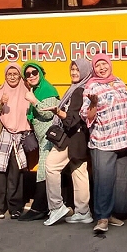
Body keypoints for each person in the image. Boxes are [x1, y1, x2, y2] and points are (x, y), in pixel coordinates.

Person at [81, 54, 127, 234]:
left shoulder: (119, 82)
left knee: (118, 181)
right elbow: (86, 115)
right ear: (94, 69)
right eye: (98, 65)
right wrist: (93, 105)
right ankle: (102, 218)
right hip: (103, 140)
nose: (102, 68)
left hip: (124, 139)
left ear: (110, 65)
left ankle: (110, 213)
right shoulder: (91, 87)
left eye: (105, 64)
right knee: (103, 181)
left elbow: (126, 104)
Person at [45, 59, 93, 226]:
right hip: (81, 139)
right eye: (72, 69)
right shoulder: (82, 88)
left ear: (85, 71)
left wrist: (58, 112)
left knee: (51, 165)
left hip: (71, 138)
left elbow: (72, 120)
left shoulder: (79, 90)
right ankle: (83, 211)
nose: (74, 72)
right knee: (79, 173)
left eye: (77, 70)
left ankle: (57, 206)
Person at [0, 64, 31, 219]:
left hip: (19, 137)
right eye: (9, 74)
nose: (12, 77)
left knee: (16, 173)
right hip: (2, 136)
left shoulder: (27, 93)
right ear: (5, 76)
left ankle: (15, 207)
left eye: (15, 74)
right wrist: (0, 104)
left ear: (20, 76)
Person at [18, 61, 61, 221]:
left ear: (40, 73)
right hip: (43, 138)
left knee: (43, 170)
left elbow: (48, 114)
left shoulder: (47, 90)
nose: (31, 76)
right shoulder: (36, 89)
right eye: (28, 74)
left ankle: (39, 208)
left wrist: (33, 100)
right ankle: (47, 207)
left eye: (34, 72)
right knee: (46, 171)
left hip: (50, 139)